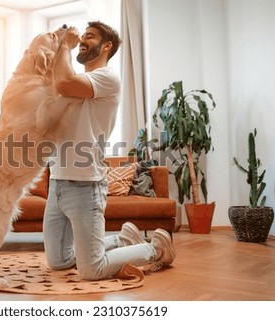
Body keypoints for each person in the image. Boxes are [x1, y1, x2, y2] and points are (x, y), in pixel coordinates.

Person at [42, 21, 176, 280]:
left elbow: (63, 82)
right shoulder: (79, 80)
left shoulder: (108, 77)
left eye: (89, 37)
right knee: (59, 262)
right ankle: (122, 239)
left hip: (85, 185)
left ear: (106, 46)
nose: (81, 40)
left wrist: (64, 46)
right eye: (81, 37)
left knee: (92, 270)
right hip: (57, 182)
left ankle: (155, 248)